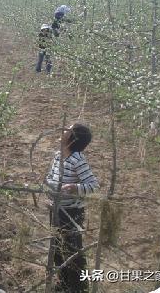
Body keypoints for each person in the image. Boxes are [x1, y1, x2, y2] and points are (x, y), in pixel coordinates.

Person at [45, 123, 99, 293]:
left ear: (71, 139)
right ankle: (64, 283)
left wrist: (74, 187)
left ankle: (78, 288)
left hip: (72, 212)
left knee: (73, 251)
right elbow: (51, 176)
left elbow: (93, 185)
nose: (62, 131)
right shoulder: (57, 156)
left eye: (67, 130)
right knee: (57, 249)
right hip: (56, 209)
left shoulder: (77, 159)